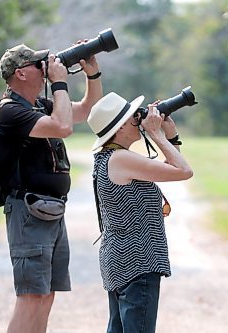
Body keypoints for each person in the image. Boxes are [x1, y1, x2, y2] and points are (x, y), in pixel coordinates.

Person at [0, 43, 102, 333]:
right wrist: (59, 82)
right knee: (30, 297)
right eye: (37, 64)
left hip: (50, 210)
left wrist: (93, 74)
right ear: (21, 74)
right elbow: (62, 127)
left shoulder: (39, 105)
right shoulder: (10, 112)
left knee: (47, 295)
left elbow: (87, 111)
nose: (44, 67)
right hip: (28, 212)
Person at [87, 92, 193, 333]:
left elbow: (167, 170)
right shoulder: (121, 158)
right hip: (137, 261)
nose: (139, 118)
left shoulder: (111, 157)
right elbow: (184, 171)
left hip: (122, 258)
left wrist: (170, 136)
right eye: (133, 116)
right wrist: (156, 134)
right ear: (121, 126)